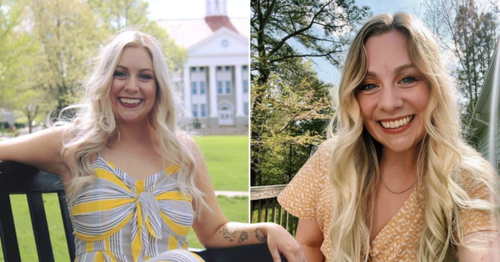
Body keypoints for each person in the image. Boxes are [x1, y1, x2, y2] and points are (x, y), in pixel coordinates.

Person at [0, 30, 305, 262]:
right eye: (120, 73)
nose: (131, 86)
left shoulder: (182, 152)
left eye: (144, 76)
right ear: (105, 80)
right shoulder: (73, 143)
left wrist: (269, 229)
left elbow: (213, 231)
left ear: (158, 86)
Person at [278, 12, 500, 262]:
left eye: (407, 79)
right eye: (369, 85)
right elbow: (308, 244)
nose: (389, 103)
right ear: (354, 96)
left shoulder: (468, 178)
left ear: (434, 86)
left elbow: (484, 250)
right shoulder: (330, 159)